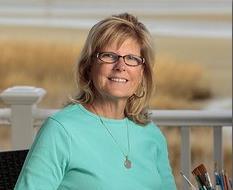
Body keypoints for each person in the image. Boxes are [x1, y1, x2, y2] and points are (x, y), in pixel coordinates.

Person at [15, 13, 177, 190]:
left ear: (142, 73)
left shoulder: (152, 134)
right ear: (88, 66)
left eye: (132, 58)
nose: (120, 66)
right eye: (109, 56)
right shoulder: (61, 130)